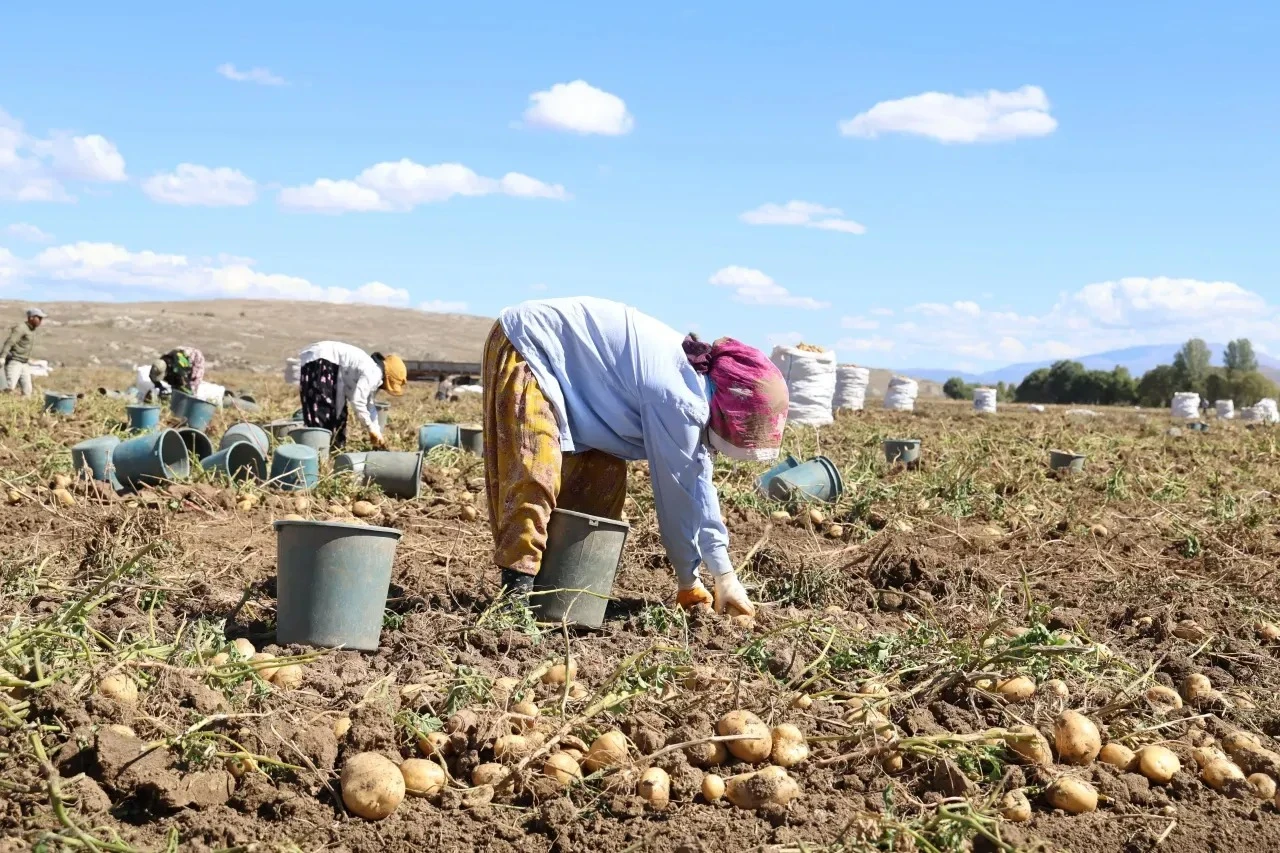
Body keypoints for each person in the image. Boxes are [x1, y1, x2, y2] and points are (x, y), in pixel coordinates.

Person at [483, 297, 789, 617]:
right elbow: (677, 502)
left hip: (585, 387)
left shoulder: (697, 392)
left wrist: (725, 577)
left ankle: (564, 598)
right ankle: (514, 603)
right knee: (536, 473)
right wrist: (688, 581)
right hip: (529, 345)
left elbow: (699, 488)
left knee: (601, 480)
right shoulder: (681, 400)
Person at [297, 341, 406, 449]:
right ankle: (317, 453)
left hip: (329, 365)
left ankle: (331, 452)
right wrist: (370, 427)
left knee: (337, 417)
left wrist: (377, 433)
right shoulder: (374, 372)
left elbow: (369, 405)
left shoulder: (372, 372)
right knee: (322, 412)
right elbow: (358, 401)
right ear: (388, 377)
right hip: (321, 360)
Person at [1, 308, 46, 396]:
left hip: (24, 363)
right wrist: (2, 357)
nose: (41, 321)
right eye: (39, 318)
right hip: (15, 362)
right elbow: (10, 342)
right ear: (31, 318)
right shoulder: (21, 328)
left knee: (27, 390)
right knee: (9, 388)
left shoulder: (32, 330)